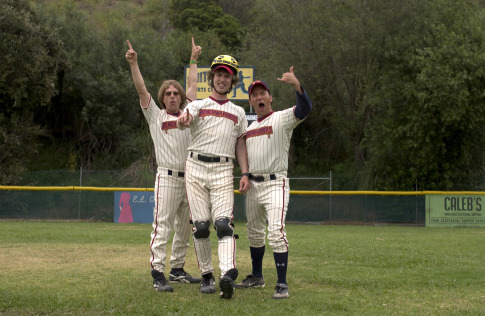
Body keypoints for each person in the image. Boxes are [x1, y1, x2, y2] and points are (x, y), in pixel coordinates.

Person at [125, 38, 202, 292]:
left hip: (190, 178)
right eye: (167, 93)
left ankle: (177, 269)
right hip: (167, 178)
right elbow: (140, 89)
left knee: (185, 227)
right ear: (163, 97)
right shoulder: (155, 116)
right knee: (163, 226)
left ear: (180, 98)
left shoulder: (188, 112)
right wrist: (134, 64)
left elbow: (192, 83)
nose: (172, 96)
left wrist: (193, 59)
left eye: (175, 93)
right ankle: (158, 272)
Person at [176, 55, 251, 299]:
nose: (221, 79)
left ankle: (227, 274)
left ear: (233, 81)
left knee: (223, 224)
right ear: (212, 78)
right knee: (200, 227)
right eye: (218, 74)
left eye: (226, 75)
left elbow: (241, 145)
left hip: (223, 170)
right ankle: (207, 275)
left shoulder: (238, 112)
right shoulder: (197, 105)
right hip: (196, 167)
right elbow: (183, 121)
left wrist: (245, 173)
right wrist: (183, 120)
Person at [235, 67, 312, 299]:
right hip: (254, 185)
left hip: (275, 182)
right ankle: (257, 277)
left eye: (262, 93)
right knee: (254, 233)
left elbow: (304, 109)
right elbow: (244, 155)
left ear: (270, 98)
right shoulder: (249, 128)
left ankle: (281, 283)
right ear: (250, 101)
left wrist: (297, 85)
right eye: (254, 95)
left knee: (276, 232)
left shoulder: (282, 118)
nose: (259, 97)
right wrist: (245, 175)